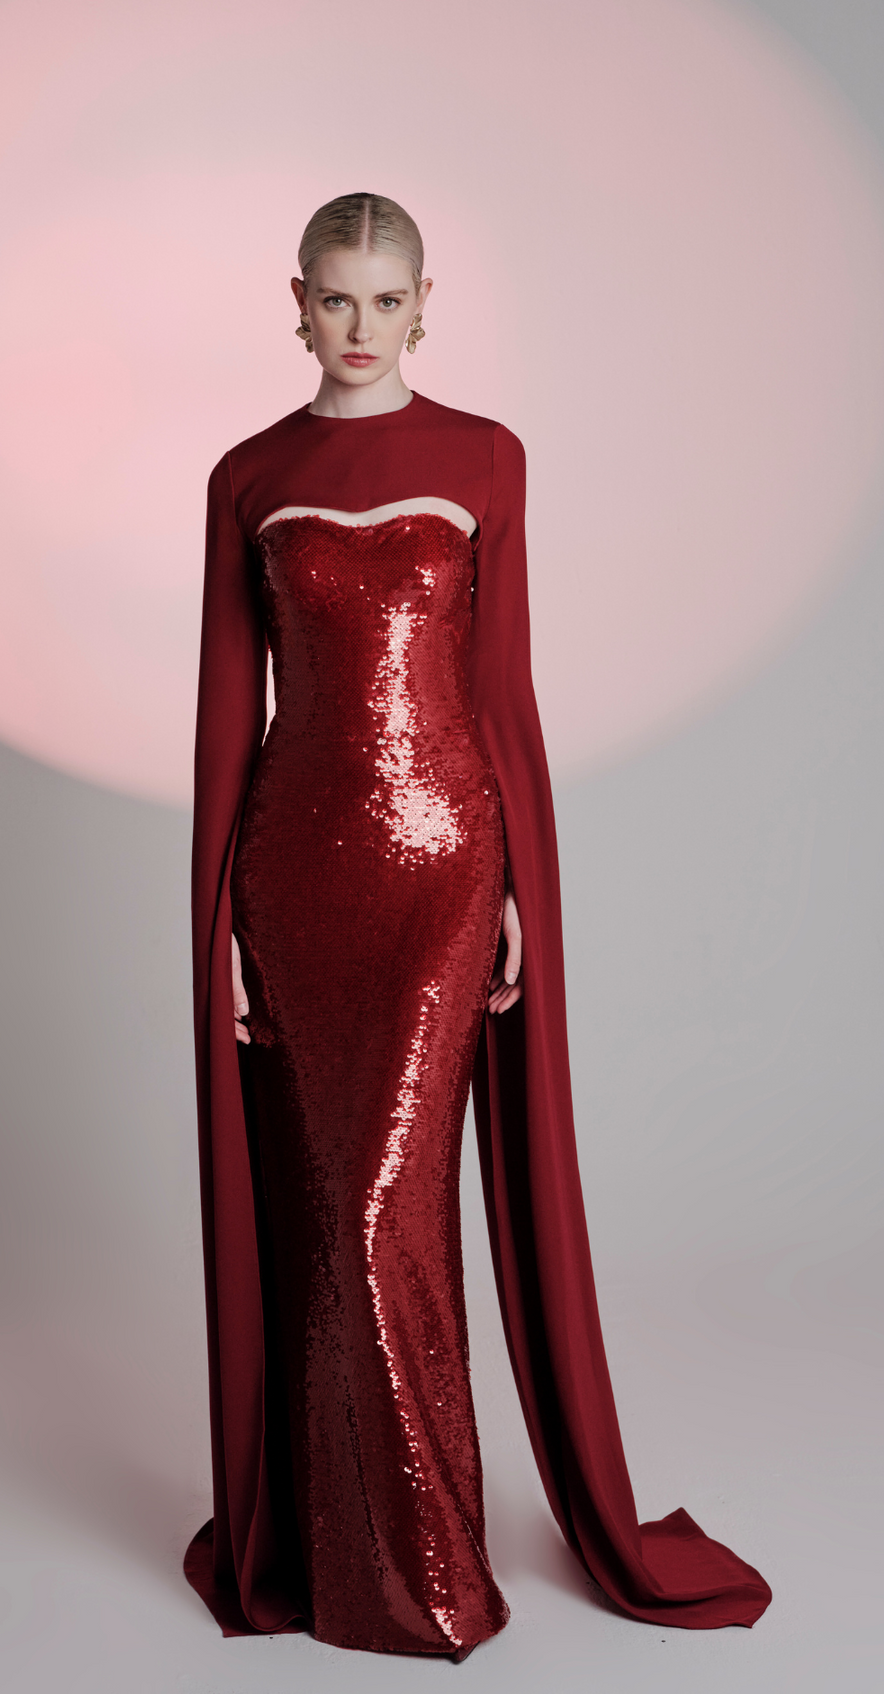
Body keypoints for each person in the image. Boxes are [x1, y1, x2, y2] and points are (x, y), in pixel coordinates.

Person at [185, 192, 770, 1658]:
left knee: (389, 1206)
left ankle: (422, 1571)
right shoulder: (248, 475)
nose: (361, 325)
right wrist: (217, 921)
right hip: (293, 875)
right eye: (336, 298)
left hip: (445, 868)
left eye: (386, 300)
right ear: (296, 304)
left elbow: (500, 689)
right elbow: (225, 721)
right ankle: (343, 1550)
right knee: (325, 1212)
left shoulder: (483, 457)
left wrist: (517, 887)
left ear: (424, 304)